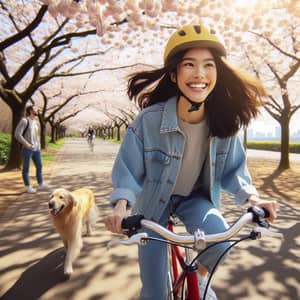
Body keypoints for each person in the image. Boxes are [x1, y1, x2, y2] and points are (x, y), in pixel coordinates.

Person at [104, 24, 278, 300]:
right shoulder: (148, 121)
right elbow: (128, 172)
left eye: (209, 65)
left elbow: (236, 173)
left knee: (221, 242)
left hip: (195, 199)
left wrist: (254, 201)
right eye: (189, 65)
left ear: (217, 73)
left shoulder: (224, 123)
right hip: (152, 205)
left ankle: (196, 279)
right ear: (174, 74)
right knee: (154, 294)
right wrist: (121, 208)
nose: (200, 74)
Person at [15, 105, 48, 193]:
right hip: (27, 149)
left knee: (39, 166)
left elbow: (36, 136)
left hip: (36, 149)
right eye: (36, 108)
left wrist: (39, 146)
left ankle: (40, 184)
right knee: (26, 169)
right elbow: (17, 134)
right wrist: (26, 144)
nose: (38, 110)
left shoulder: (36, 122)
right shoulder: (24, 121)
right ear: (30, 110)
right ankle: (28, 186)